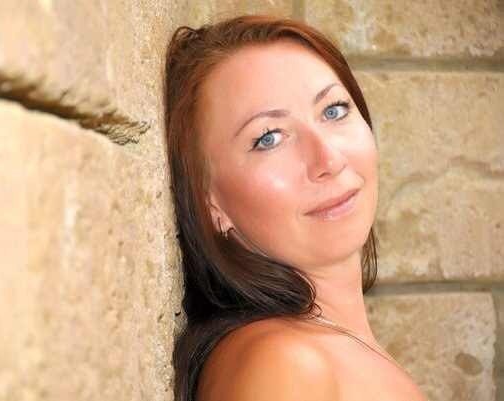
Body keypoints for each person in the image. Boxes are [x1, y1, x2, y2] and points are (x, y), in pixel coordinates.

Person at [163, 14, 428, 401]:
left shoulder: (324, 349)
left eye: (334, 110)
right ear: (210, 203)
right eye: (268, 138)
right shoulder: (281, 363)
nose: (329, 159)